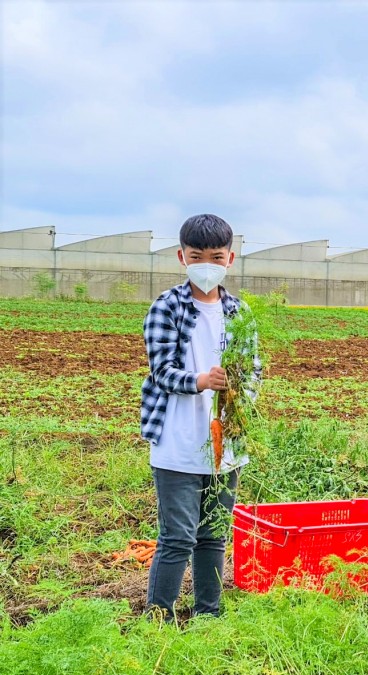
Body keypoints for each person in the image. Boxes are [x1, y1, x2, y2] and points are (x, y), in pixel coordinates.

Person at [140, 213, 260, 621]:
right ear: (182, 257)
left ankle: (209, 614)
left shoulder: (239, 312)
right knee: (177, 537)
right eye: (197, 256)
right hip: (177, 441)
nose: (206, 263)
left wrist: (242, 394)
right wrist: (201, 379)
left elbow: (253, 369)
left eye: (215, 255)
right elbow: (161, 370)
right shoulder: (167, 307)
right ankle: (158, 617)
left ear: (230, 258)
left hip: (226, 445)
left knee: (213, 535)